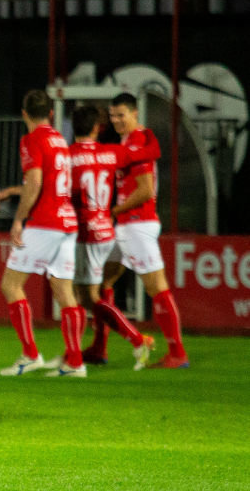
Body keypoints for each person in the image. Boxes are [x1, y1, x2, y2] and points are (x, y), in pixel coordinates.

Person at [91, 93, 189, 369]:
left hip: (138, 224)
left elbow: (145, 190)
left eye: (121, 114)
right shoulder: (129, 142)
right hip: (125, 225)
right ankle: (100, 348)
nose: (116, 120)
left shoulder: (140, 139)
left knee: (156, 287)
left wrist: (112, 212)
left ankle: (177, 353)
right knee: (101, 284)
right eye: (112, 116)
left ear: (135, 113)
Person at [0, 90, 85, 378]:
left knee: (11, 284)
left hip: (45, 222)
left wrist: (19, 220)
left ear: (24, 113)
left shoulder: (31, 139)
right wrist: (14, 191)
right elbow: (51, 183)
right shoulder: (59, 140)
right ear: (51, 114)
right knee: (64, 291)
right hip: (68, 221)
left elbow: (35, 182)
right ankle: (74, 361)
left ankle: (31, 355)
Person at [66, 104, 159, 370]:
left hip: (86, 233)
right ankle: (95, 348)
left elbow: (66, 192)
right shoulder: (111, 153)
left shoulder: (67, 157)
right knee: (89, 293)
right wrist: (148, 134)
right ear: (98, 128)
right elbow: (151, 152)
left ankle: (137, 338)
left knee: (87, 298)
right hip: (106, 229)